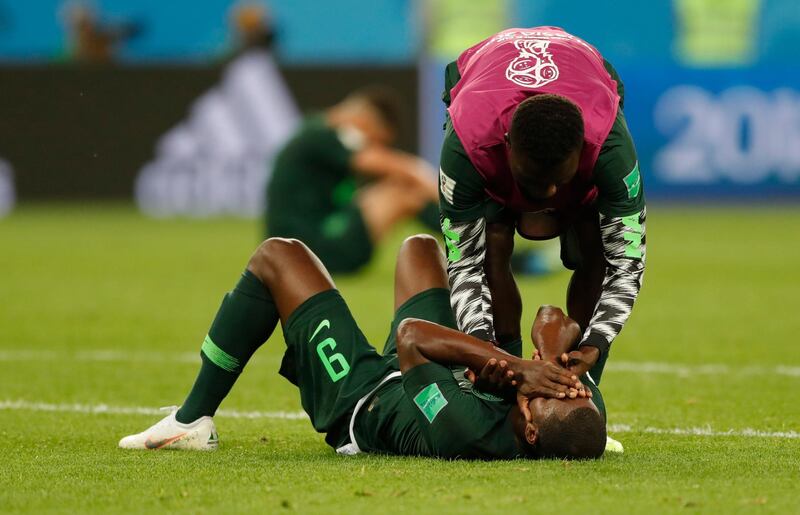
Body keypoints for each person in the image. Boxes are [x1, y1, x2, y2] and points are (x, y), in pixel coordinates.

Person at [119, 235, 606, 460]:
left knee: (277, 256)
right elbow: (551, 316)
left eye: (543, 395)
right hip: (423, 373)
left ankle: (192, 421)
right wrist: (541, 362)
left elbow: (412, 336)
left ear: (531, 433)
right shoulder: (575, 401)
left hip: (362, 397)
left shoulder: (468, 432)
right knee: (420, 247)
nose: (559, 387)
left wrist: (515, 367)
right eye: (566, 388)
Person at [438, 27, 646, 384]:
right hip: (480, 76)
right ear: (506, 146)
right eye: (532, 182)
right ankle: (501, 384)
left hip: (589, 73)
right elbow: (465, 266)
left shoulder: (610, 149)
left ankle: (583, 383)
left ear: (583, 151)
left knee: (594, 243)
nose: (549, 195)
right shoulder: (466, 146)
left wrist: (595, 345)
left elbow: (625, 265)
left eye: (559, 182)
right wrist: (483, 352)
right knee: (492, 242)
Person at [266, 88, 440, 273]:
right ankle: (467, 240)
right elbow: (397, 167)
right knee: (403, 192)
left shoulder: (314, 130)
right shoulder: (324, 134)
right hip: (310, 249)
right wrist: (427, 179)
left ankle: (465, 239)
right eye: (376, 139)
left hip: (300, 245)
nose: (374, 146)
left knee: (400, 188)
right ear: (365, 120)